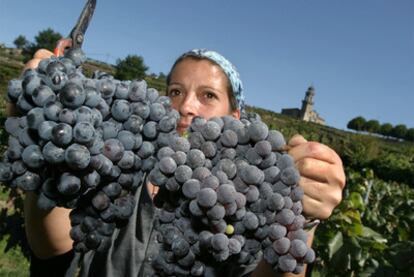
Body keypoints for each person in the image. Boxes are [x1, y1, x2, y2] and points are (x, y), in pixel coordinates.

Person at [14, 48, 346, 277]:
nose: (186, 105)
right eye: (175, 91)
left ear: (235, 115)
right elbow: (52, 246)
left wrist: (300, 216)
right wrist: (40, 122)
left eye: (208, 95)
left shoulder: (246, 197)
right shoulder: (123, 166)